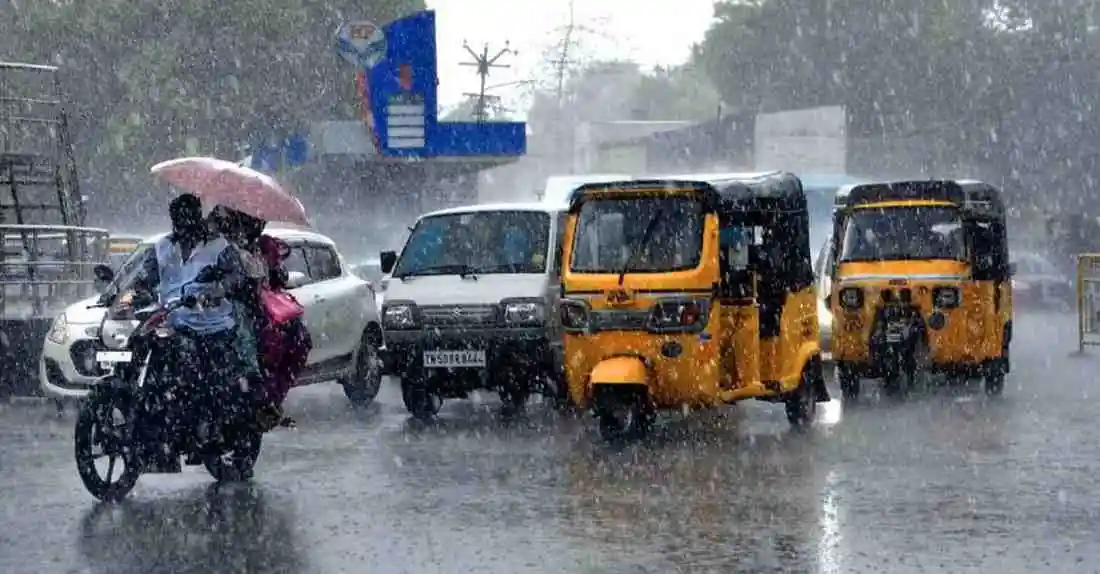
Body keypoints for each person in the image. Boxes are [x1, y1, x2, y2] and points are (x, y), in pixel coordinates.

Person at [132, 194, 244, 465]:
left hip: (211, 325)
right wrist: (138, 292)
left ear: (197, 218)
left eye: (187, 218)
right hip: (171, 322)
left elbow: (235, 277)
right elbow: (144, 278)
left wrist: (215, 290)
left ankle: (208, 430)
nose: (182, 225)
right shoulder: (162, 247)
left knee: (200, 378)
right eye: (178, 219)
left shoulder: (219, 247)